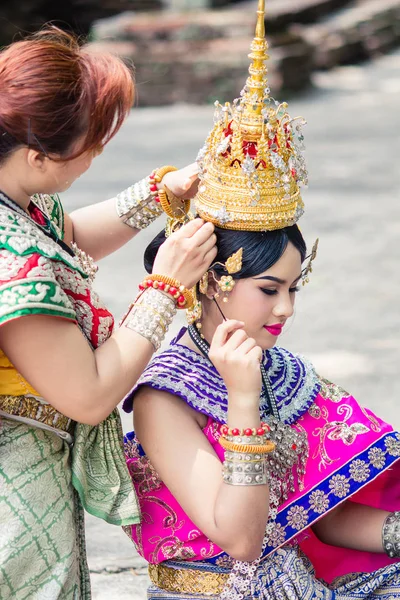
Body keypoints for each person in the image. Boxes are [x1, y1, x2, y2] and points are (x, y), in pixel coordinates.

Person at [122, 2, 400, 598]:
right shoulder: (162, 396)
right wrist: (243, 403)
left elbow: (325, 514)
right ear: (212, 280)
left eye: (293, 290)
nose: (285, 311)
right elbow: (241, 540)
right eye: (269, 289)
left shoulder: (284, 372)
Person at [0, 27, 217, 599]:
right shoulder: (9, 260)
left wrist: (160, 192)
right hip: (12, 477)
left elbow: (66, 236)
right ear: (37, 155)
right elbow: (90, 394)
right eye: (92, 142)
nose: (99, 153)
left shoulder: (17, 199)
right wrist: (165, 287)